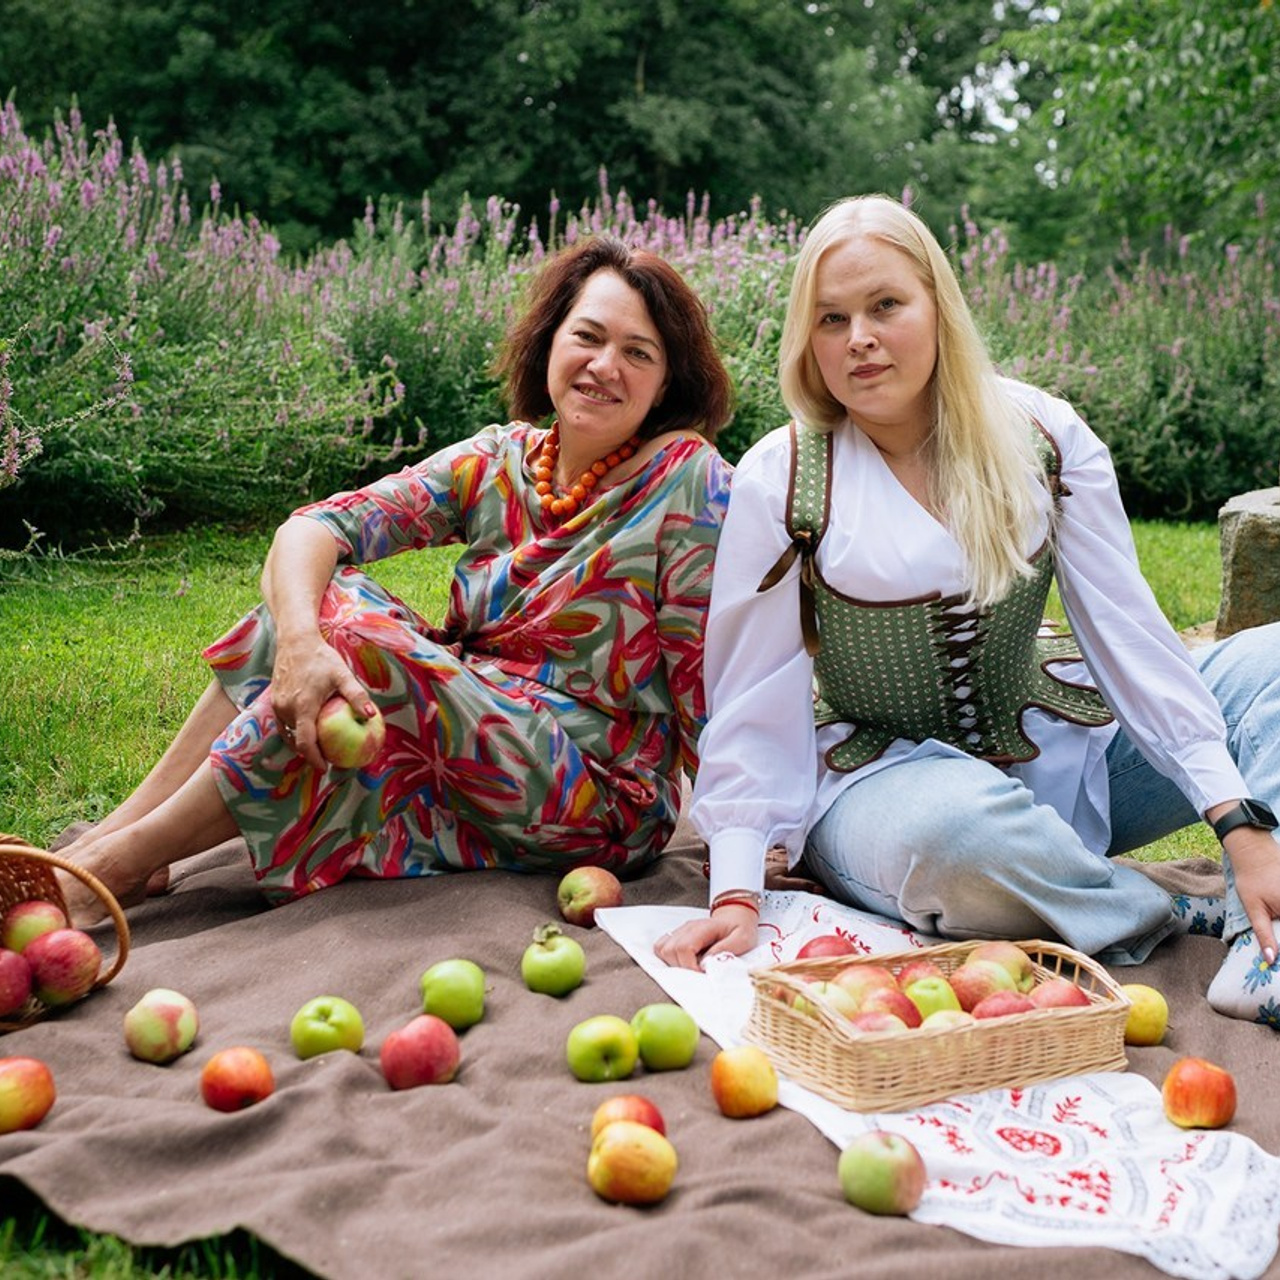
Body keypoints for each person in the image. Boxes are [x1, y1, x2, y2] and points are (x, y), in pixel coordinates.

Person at [655, 194, 1280, 1026]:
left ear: (938, 305)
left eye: (885, 306)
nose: (860, 338)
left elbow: (1130, 639)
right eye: (831, 319)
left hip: (1052, 747)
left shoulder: (1043, 438)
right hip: (888, 794)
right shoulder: (787, 475)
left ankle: (1259, 934)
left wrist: (1233, 818)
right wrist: (736, 885)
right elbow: (750, 690)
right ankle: (1150, 906)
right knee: (955, 841)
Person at [57, 235, 734, 923]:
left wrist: (742, 843)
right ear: (549, 342)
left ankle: (107, 871)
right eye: (586, 336)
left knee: (357, 643)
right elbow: (314, 529)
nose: (603, 365)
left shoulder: (686, 479)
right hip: (466, 732)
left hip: (597, 793)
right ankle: (115, 837)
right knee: (313, 606)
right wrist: (298, 645)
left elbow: (707, 673)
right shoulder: (501, 459)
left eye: (637, 352)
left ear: (666, 384)